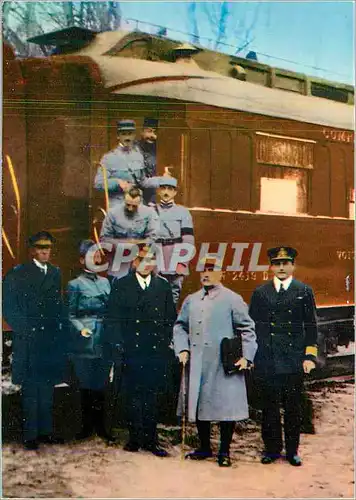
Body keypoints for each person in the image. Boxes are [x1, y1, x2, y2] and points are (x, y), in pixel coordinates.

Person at [173, 258, 257, 467]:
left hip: (223, 362)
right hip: (197, 362)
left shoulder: (232, 299)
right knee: (200, 403)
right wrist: (182, 348)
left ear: (222, 274)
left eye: (212, 270)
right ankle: (204, 447)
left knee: (225, 407)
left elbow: (247, 329)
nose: (206, 274)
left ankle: (224, 451)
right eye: (203, 270)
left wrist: (246, 357)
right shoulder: (191, 300)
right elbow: (180, 326)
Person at [249, 246, 318, 467]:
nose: (280, 268)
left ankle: (292, 451)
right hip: (268, 359)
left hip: (293, 360)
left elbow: (311, 327)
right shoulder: (261, 293)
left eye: (285, 263)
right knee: (269, 407)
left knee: (293, 408)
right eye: (276, 264)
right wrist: (253, 355)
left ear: (292, 266)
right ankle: (271, 449)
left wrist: (309, 356)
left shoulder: (303, 291)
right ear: (271, 267)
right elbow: (253, 327)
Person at [103, 249, 176, 456]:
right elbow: (113, 318)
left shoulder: (162, 286)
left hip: (154, 350)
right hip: (131, 349)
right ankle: (134, 438)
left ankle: (151, 440)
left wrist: (163, 342)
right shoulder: (122, 285)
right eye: (142, 259)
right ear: (134, 261)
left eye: (151, 259)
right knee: (132, 394)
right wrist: (118, 344)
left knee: (152, 395)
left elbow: (170, 316)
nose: (146, 263)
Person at [3, 231, 67, 450]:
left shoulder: (55, 273)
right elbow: (9, 306)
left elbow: (57, 305)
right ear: (32, 250)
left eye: (47, 248)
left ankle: (46, 431)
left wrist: (59, 329)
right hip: (29, 338)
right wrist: (23, 329)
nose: (44, 252)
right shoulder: (19, 273)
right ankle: (30, 435)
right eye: (40, 248)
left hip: (48, 338)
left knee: (47, 385)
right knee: (31, 387)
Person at [66, 240, 112, 440]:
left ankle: (101, 427)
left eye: (97, 256)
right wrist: (81, 329)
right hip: (84, 340)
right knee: (85, 384)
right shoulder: (74, 285)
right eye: (90, 256)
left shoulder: (105, 282)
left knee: (101, 384)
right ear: (81, 260)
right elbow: (69, 314)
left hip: (103, 338)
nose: (95, 259)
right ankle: (86, 427)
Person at [94, 119, 161, 208]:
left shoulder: (138, 156)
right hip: (118, 206)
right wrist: (117, 182)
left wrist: (162, 180)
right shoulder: (108, 158)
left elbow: (143, 181)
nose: (127, 138)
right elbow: (98, 183)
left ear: (134, 135)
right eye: (124, 134)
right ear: (118, 136)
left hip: (137, 204)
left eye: (130, 134)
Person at [100, 186, 159, 281]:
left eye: (134, 206)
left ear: (140, 202)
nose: (130, 208)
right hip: (119, 262)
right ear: (124, 200)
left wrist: (138, 243)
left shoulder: (150, 213)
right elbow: (104, 238)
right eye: (128, 205)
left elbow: (154, 237)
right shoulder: (113, 213)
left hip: (142, 259)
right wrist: (126, 244)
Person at [154, 176, 195, 306]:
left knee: (173, 296)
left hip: (175, 257)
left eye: (170, 189)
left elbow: (188, 240)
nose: (166, 192)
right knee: (155, 295)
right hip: (157, 256)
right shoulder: (150, 211)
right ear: (159, 191)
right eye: (163, 188)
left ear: (175, 192)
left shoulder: (183, 212)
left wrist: (182, 263)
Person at [136, 117, 158, 205]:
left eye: (155, 132)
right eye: (149, 131)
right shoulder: (134, 149)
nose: (152, 135)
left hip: (154, 197)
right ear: (142, 132)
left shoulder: (160, 150)